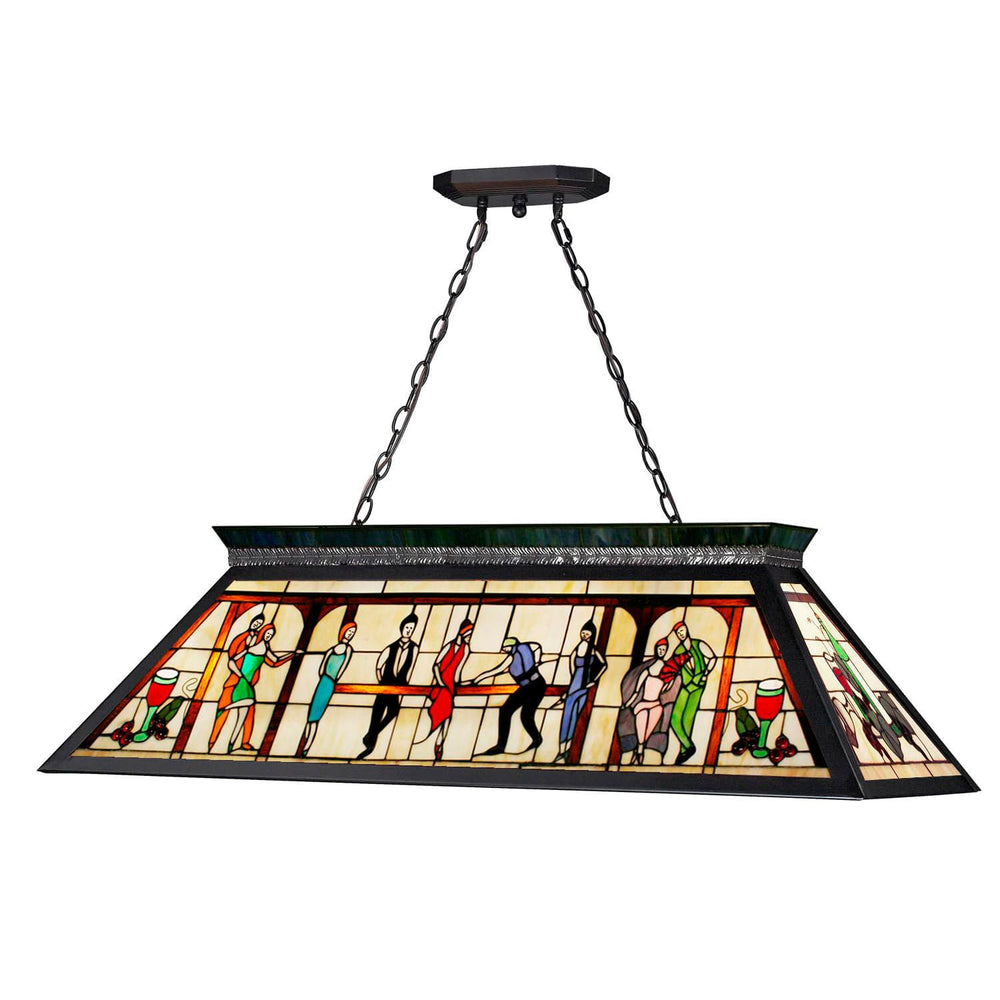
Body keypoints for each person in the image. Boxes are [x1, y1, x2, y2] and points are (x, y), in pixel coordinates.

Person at [217, 623, 298, 753]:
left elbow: (275, 661)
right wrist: (239, 674)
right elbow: (232, 660)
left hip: (249, 683)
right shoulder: (251, 645)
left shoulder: (266, 648)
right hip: (242, 681)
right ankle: (225, 708)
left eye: (271, 635)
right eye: (267, 633)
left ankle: (231, 745)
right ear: (262, 633)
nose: (268, 636)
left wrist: (292, 655)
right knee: (250, 702)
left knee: (242, 718)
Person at [357, 613, 419, 759]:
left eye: (411, 628)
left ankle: (371, 735)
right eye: (407, 627)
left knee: (393, 711)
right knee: (377, 713)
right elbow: (379, 666)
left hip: (398, 687)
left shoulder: (414, 648)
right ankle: (370, 744)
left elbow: (411, 667)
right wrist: (381, 682)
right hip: (385, 686)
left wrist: (406, 683)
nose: (409, 631)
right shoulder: (391, 647)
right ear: (401, 628)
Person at [471, 636, 547, 756]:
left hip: (530, 687)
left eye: (505, 648)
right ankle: (537, 739)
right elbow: (536, 646)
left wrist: (477, 679)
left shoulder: (512, 657)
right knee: (526, 715)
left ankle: (501, 746)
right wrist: (537, 660)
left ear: (511, 646)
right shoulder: (524, 650)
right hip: (539, 684)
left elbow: (498, 669)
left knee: (506, 711)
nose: (504, 650)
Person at [617, 635, 680, 764]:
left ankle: (640, 750)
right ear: (656, 650)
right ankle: (640, 750)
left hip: (656, 705)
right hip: (643, 704)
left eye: (663, 649)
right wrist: (628, 703)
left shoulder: (666, 672)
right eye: (660, 649)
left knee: (648, 729)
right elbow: (636, 690)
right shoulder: (647, 670)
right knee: (641, 725)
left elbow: (665, 690)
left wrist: (672, 679)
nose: (661, 651)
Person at [208, 611, 265, 751]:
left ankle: (244, 742)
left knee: (249, 713)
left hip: (249, 683)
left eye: (259, 624)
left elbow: (269, 660)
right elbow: (232, 657)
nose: (257, 625)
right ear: (252, 622)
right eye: (256, 622)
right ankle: (212, 741)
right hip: (234, 681)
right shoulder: (241, 638)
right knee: (222, 711)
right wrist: (239, 673)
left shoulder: (259, 641)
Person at [418, 618, 473, 760]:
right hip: (441, 684)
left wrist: (461, 683)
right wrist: (440, 681)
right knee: (446, 714)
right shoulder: (449, 646)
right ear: (462, 633)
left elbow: (459, 669)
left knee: (447, 714)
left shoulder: (466, 649)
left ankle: (439, 742)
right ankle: (439, 744)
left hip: (451, 685)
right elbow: (436, 665)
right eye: (468, 634)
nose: (469, 637)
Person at [301, 621, 357, 756]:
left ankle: (307, 746)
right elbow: (322, 666)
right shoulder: (332, 649)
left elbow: (343, 667)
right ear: (343, 632)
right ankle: (305, 744)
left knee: (316, 716)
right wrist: (324, 676)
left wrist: (334, 679)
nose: (350, 634)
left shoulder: (348, 649)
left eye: (352, 633)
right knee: (310, 716)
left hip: (330, 682)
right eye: (349, 631)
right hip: (323, 681)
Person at [555, 621, 607, 762]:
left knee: (575, 717)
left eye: (587, 634)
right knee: (567, 716)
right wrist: (572, 682)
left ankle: (567, 749)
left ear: (592, 635)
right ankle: (561, 749)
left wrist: (593, 680)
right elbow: (572, 667)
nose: (584, 636)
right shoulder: (576, 650)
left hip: (584, 686)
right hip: (575, 685)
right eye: (583, 633)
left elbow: (603, 665)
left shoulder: (593, 650)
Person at [667, 621, 717, 765]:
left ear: (687, 629)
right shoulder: (678, 651)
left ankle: (684, 750)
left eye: (682, 630)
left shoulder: (698, 644)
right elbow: (673, 668)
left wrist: (706, 673)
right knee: (674, 718)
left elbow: (713, 658)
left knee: (688, 718)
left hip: (698, 685)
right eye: (678, 633)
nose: (681, 634)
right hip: (686, 685)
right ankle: (689, 746)